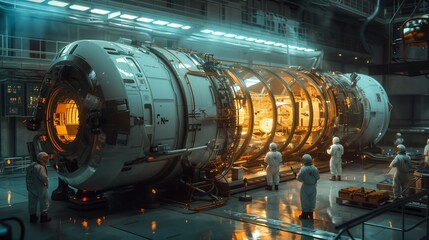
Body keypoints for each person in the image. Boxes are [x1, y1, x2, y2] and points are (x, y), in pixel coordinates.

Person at [26, 151, 51, 223]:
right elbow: (43, 178)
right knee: (44, 201)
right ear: (40, 158)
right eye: (45, 158)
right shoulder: (40, 167)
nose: (46, 160)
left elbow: (27, 177)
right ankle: (44, 217)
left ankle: (32, 217)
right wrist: (46, 183)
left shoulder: (31, 166)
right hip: (40, 187)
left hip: (31, 187)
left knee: (32, 202)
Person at [297, 154, 320, 220]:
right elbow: (318, 177)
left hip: (305, 186)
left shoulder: (303, 169)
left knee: (304, 200)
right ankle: (311, 213)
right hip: (313, 187)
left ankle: (305, 214)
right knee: (312, 199)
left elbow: (299, 178)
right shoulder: (315, 168)